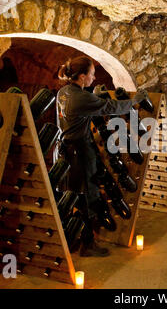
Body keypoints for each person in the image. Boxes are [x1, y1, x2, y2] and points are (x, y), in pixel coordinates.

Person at [56, 56, 148, 257]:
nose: (94, 77)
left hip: (65, 150)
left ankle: (73, 238)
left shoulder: (63, 93)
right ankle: (88, 245)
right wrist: (135, 102)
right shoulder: (81, 98)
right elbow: (112, 108)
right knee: (89, 196)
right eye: (92, 74)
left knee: (73, 195)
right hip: (80, 151)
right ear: (82, 76)